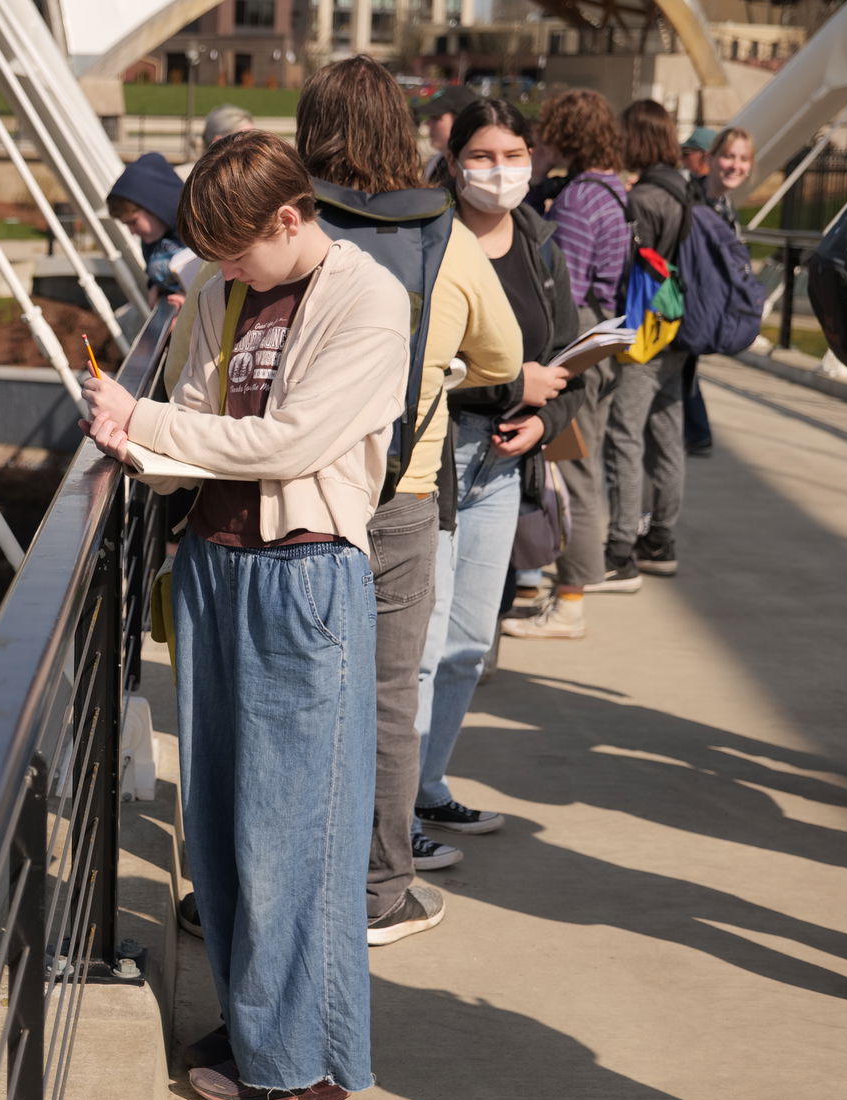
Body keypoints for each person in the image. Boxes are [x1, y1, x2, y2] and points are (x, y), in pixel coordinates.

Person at [79, 130, 409, 1100]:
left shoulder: (369, 299)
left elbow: (288, 438)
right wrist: (132, 437)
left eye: (235, 248)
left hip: (303, 578)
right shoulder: (223, 291)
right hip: (214, 571)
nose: (221, 268)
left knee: (292, 834)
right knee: (222, 823)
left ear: (289, 216)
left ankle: (287, 1058)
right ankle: (274, 1028)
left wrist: (142, 425)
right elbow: (193, 422)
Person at [293, 57, 522, 928]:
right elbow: (499, 359)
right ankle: (380, 889)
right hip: (399, 496)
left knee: (284, 699)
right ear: (405, 129)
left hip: (292, 492)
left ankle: (263, 888)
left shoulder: (286, 222)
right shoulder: (443, 238)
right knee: (390, 700)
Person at [413, 99, 584, 858]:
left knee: (468, 641)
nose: (500, 170)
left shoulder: (541, 245)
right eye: (483, 156)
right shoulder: (428, 237)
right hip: (438, 457)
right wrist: (510, 383)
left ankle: (429, 785)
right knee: (418, 640)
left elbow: (572, 361)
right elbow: (415, 362)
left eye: (514, 153)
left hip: (507, 462)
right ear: (454, 164)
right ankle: (394, 821)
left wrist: (545, 419)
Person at [502, 89, 629, 641]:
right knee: (579, 461)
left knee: (572, 467)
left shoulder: (579, 199)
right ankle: (558, 586)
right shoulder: (612, 189)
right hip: (607, 338)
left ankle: (572, 597)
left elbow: (563, 286)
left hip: (580, 345)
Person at [602, 98, 693, 586]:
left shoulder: (644, 199)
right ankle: (661, 536)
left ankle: (620, 548)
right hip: (679, 326)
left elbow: (627, 267)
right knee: (665, 433)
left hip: (646, 330)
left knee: (623, 433)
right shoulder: (684, 190)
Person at [680, 126, 755, 458]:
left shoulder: (725, 207)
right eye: (728, 156)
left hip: (696, 324)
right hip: (670, 323)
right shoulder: (686, 201)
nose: (735, 165)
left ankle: (697, 434)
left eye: (742, 159)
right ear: (710, 159)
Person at [108, 152, 198, 303]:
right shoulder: (153, 244)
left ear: (155, 207)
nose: (131, 231)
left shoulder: (199, 232)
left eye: (133, 221)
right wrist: (154, 286)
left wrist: (192, 301)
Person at [417, 85, 478, 185]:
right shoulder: (435, 164)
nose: (428, 124)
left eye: (436, 118)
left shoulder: (475, 171)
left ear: (460, 120)